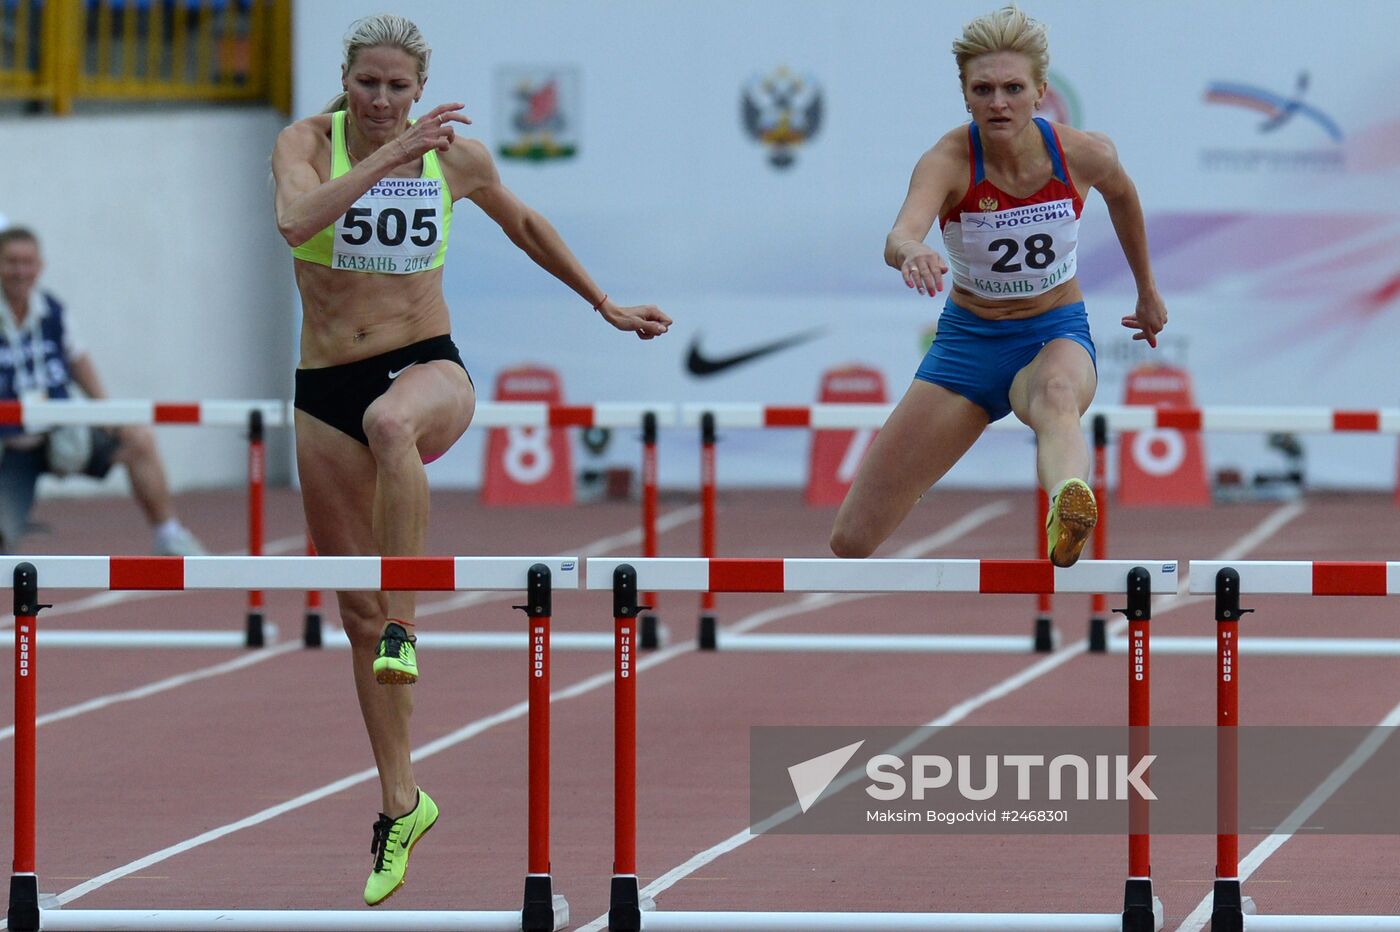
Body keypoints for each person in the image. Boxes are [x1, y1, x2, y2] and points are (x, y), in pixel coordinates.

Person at [270, 13, 671, 906]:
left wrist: (601, 302)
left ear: (420, 88)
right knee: (356, 615)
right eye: (368, 84)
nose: (382, 100)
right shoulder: (305, 142)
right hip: (321, 384)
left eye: (398, 88)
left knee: (391, 427)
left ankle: (413, 622)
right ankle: (401, 801)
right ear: (348, 83)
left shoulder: (455, 159)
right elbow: (295, 220)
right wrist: (384, 153)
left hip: (425, 365)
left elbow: (524, 223)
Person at [830, 5, 1166, 566]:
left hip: (1053, 331)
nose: (998, 102)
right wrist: (912, 249)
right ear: (965, 96)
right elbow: (899, 234)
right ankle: (1062, 495)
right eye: (982, 89)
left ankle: (1067, 504)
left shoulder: (1083, 153)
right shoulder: (948, 161)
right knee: (852, 539)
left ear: (1040, 92)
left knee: (1057, 397)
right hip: (969, 345)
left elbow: (1124, 197)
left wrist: (1147, 291)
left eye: (1013, 88)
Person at [0, 227, 206, 557]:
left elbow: (78, 358)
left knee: (138, 438)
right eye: (11, 262)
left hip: (60, 431)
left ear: (40, 266)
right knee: (3, 540)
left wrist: (105, 410)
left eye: (27, 262)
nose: (20, 271)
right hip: (9, 447)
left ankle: (169, 535)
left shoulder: (52, 309)